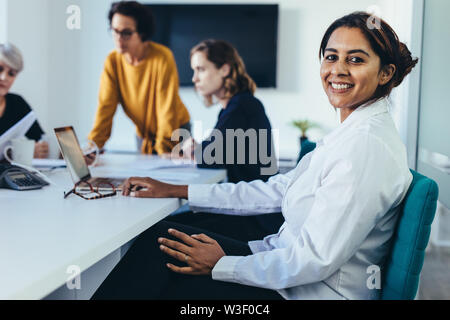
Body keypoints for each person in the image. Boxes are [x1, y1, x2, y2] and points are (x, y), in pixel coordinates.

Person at [92, 12, 418, 300]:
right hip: (285, 267)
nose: (338, 70)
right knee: (160, 241)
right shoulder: (348, 135)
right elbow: (275, 189)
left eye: (356, 60)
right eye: (331, 57)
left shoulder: (364, 148)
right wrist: (177, 190)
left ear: (386, 73)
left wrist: (222, 264)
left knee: (159, 256)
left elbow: (314, 260)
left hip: (306, 289)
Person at [165, 39, 283, 242]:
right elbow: (218, 152)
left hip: (253, 217)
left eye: (201, 69)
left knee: (163, 229)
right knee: (171, 224)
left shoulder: (241, 107)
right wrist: (200, 148)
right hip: (245, 208)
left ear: (225, 69)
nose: (194, 78)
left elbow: (210, 158)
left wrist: (196, 149)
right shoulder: (235, 107)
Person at [88, 1, 190, 155]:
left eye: (126, 33)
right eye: (115, 31)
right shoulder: (113, 61)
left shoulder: (162, 57)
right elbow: (105, 108)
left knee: (168, 176)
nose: (119, 38)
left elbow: (166, 109)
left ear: (142, 33)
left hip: (175, 131)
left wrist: (164, 151)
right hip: (144, 135)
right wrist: (93, 147)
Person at [0, 43, 49, 159]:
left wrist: (42, 149)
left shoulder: (17, 103)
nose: (4, 78)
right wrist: (18, 153)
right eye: (0, 69)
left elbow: (40, 139)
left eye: (11, 73)